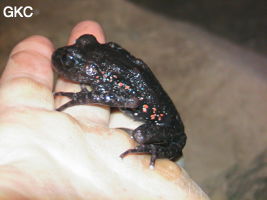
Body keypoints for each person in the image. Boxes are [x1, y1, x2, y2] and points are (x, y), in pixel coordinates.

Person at [0, 20, 209, 199]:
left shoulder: (104, 73)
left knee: (141, 135)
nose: (75, 49)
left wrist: (85, 96)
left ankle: (165, 155)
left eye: (73, 62)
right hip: (153, 104)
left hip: (162, 124)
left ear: (90, 69)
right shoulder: (105, 68)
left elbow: (131, 100)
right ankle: (178, 162)